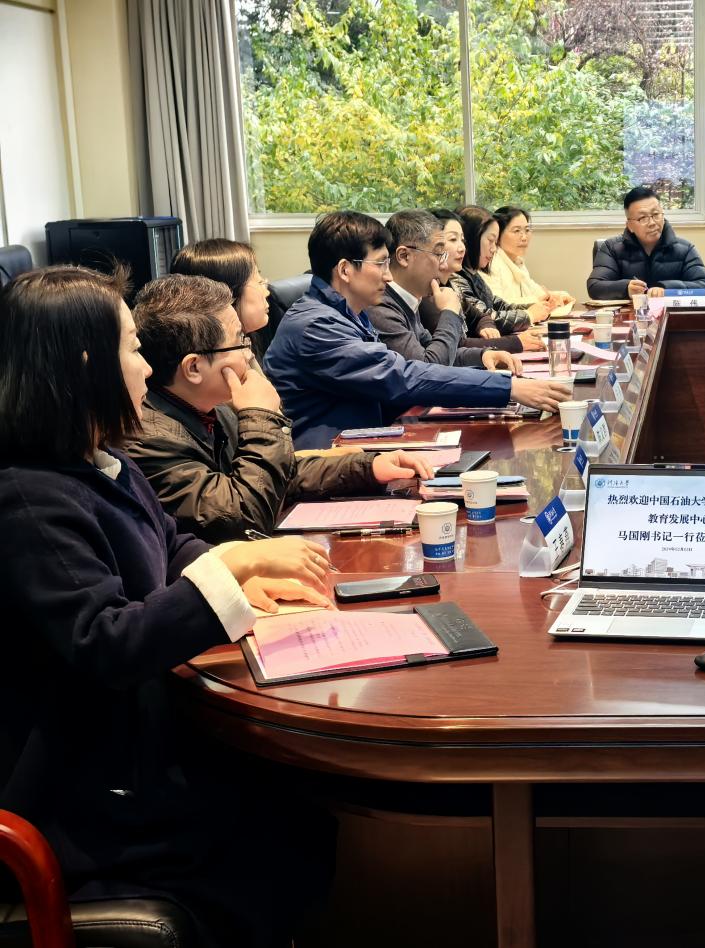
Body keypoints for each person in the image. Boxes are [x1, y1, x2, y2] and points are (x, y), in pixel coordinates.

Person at [0, 265, 334, 948]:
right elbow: (106, 642)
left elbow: (172, 542)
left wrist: (242, 581)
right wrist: (229, 576)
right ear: (86, 364)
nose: (147, 369)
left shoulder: (101, 462)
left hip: (136, 749)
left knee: (301, 809)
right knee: (281, 829)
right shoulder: (27, 498)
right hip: (81, 793)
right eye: (132, 348)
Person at [126, 273, 439, 543]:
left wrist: (368, 468)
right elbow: (243, 519)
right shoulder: (149, 439)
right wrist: (260, 417)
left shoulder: (213, 409)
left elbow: (280, 474)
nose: (249, 354)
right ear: (193, 368)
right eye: (239, 341)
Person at [263, 211, 568, 449]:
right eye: (380, 264)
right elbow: (403, 376)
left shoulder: (347, 311)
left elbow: (418, 359)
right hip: (331, 462)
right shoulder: (316, 325)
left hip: (367, 447)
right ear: (345, 270)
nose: (387, 276)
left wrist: (482, 359)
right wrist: (508, 388)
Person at [367, 208, 525, 369]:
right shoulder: (381, 307)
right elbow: (428, 368)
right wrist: (450, 312)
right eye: (438, 254)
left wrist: (483, 355)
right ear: (404, 256)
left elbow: (438, 353)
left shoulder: (407, 300)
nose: (443, 265)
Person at [439, 207, 552, 337]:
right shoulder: (456, 278)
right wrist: (529, 315)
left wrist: (536, 308)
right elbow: (484, 317)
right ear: (473, 239)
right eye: (490, 241)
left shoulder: (473, 275)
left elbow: (498, 304)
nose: (494, 249)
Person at [587, 186, 705, 300]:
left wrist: (667, 289)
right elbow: (595, 287)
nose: (652, 223)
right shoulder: (611, 248)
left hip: (670, 316)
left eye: (656, 214)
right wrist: (626, 288)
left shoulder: (684, 249)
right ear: (629, 225)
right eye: (643, 218)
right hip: (628, 316)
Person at [482, 205, 573, 308]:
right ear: (498, 234)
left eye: (527, 230)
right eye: (516, 231)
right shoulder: (491, 263)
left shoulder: (517, 261)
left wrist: (558, 296)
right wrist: (540, 299)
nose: (524, 237)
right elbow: (497, 304)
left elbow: (535, 291)